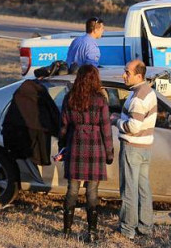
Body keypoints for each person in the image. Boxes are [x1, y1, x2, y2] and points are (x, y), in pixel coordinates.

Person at [59, 65, 113, 242]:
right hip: (95, 147)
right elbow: (106, 129)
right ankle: (92, 231)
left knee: (72, 190)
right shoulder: (100, 100)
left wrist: (62, 147)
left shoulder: (70, 98)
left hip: (75, 145)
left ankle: (66, 231)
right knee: (92, 192)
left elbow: (64, 127)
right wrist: (109, 153)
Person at [116, 59, 156, 239]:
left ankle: (127, 229)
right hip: (145, 147)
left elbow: (133, 126)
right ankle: (145, 226)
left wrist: (115, 121)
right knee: (143, 188)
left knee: (129, 189)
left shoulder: (138, 98)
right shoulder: (148, 92)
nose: (124, 75)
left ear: (138, 76)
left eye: (127, 73)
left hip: (132, 147)